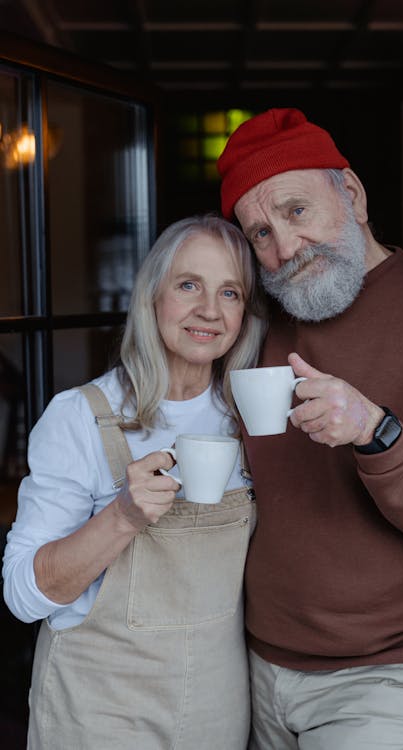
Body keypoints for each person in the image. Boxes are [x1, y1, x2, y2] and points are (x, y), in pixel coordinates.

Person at [217, 108, 403, 750]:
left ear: (350, 194)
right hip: (251, 667)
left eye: (296, 211)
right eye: (260, 234)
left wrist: (374, 431)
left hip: (388, 677)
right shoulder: (254, 323)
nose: (284, 249)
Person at [2, 214, 267, 749]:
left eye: (230, 292)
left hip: (218, 706)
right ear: (152, 296)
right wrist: (121, 516)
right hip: (100, 707)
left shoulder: (253, 418)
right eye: (189, 285)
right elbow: (23, 597)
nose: (209, 311)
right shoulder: (81, 416)